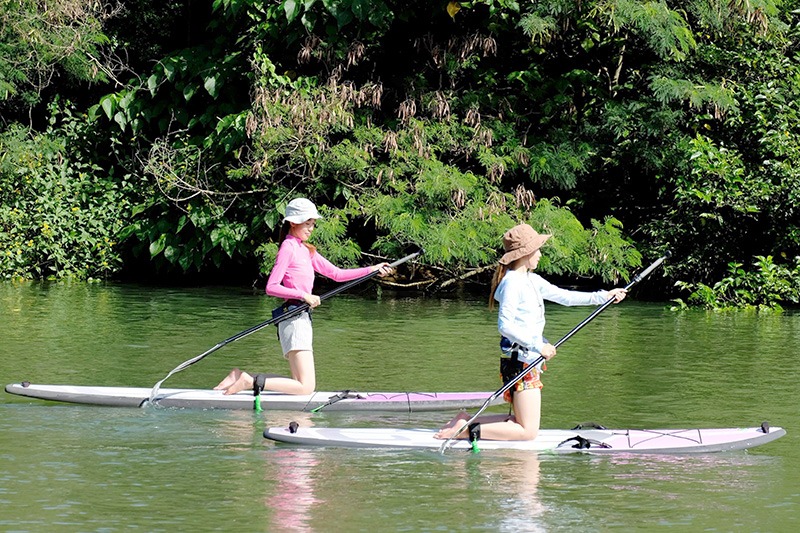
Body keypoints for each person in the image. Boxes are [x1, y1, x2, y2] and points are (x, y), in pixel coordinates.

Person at [434, 223, 627, 442]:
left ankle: (465, 420)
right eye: (537, 250)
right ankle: (465, 431)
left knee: (522, 423)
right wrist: (539, 345)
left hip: (528, 360)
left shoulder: (531, 280)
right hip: (521, 362)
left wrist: (605, 296)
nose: (540, 254)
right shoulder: (512, 284)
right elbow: (505, 325)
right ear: (525, 254)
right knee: (527, 432)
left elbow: (565, 297)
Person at [214, 198, 392, 395]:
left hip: (300, 318)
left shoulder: (306, 250)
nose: (311, 229)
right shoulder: (288, 248)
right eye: (307, 224)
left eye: (313, 224)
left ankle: (240, 377)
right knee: (306, 387)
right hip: (293, 317)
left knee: (300, 383)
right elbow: (271, 287)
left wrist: (372, 269)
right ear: (293, 222)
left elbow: (337, 274)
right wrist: (304, 295)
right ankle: (249, 381)